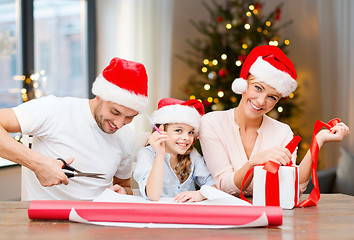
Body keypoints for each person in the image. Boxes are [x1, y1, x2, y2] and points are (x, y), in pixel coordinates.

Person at [199, 45, 350, 197]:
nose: (261, 101)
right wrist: (254, 162)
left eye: (272, 97)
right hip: (226, 215)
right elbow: (225, 186)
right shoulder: (212, 123)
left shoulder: (282, 132)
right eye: (258, 88)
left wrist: (319, 140)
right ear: (244, 83)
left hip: (273, 216)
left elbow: (294, 188)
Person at [0, 57, 149, 200]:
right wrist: (38, 164)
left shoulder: (126, 136)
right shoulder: (54, 110)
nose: (119, 123)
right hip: (46, 222)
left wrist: (122, 193)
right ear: (99, 96)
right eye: (115, 112)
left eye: (130, 117)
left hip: (97, 221)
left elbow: (124, 185)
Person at [133, 98, 215, 203]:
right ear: (161, 130)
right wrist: (159, 155)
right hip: (156, 215)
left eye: (190, 132)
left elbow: (215, 185)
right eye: (178, 130)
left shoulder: (192, 154)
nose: (186, 137)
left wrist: (200, 194)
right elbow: (153, 196)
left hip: (186, 215)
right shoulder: (146, 154)